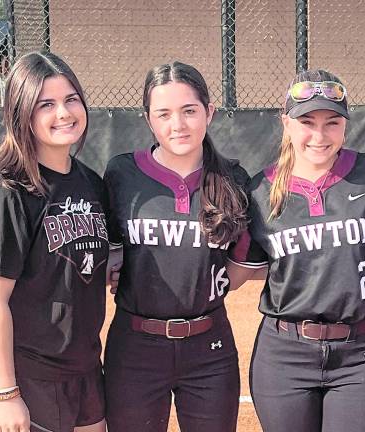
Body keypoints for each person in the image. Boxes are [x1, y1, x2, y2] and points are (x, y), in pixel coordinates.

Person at [228, 69, 365, 432]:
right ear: (286, 123)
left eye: (332, 122)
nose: (319, 135)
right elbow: (236, 274)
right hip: (284, 354)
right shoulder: (261, 191)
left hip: (361, 353)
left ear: (345, 125)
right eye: (307, 122)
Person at [102, 62, 249, 432]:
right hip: (135, 345)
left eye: (189, 111)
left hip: (209, 347)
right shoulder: (122, 174)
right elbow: (109, 244)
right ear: (148, 120)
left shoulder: (232, 178)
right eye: (163, 114)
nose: (178, 125)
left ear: (209, 112)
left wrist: (206, 284)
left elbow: (242, 261)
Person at [0, 51, 108, 432]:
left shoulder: (91, 184)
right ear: (21, 114)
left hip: (83, 370)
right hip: (27, 376)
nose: (63, 113)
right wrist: (5, 394)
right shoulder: (8, 192)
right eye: (45, 104)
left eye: (71, 99)